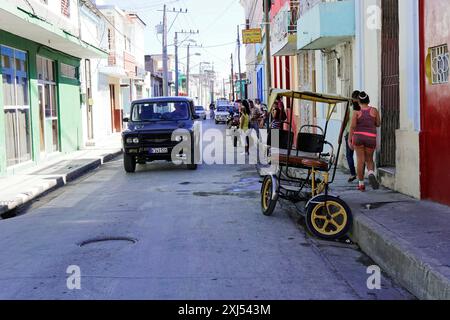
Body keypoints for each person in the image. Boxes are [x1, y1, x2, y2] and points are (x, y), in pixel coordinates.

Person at [349, 92, 381, 192]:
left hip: (358, 137)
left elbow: (353, 126)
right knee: (369, 159)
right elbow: (378, 124)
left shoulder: (356, 112)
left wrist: (350, 139)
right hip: (370, 138)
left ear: (359, 101)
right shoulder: (374, 110)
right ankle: (371, 173)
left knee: (360, 160)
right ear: (368, 100)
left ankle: (361, 184)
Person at [344, 91, 361, 183]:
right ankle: (360, 177)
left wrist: (340, 134)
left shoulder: (350, 109)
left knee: (349, 155)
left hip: (349, 135)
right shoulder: (362, 110)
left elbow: (345, 122)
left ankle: (353, 173)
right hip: (360, 136)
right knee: (360, 157)